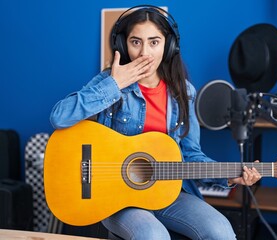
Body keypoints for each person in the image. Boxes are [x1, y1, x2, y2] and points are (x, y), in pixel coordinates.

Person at [49, 5, 261, 240]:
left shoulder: (185, 93)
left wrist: (230, 176)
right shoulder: (110, 81)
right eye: (136, 42)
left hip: (169, 193)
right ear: (123, 45)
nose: (144, 53)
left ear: (168, 46)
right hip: (114, 197)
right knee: (153, 235)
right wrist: (114, 84)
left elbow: (190, 155)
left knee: (221, 230)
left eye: (154, 42)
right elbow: (59, 116)